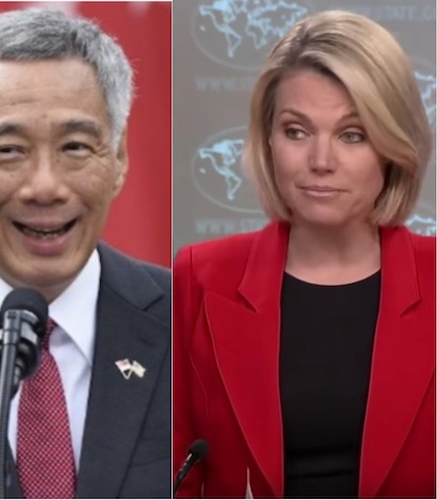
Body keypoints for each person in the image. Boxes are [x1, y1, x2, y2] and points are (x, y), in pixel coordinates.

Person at [0, 8, 170, 499]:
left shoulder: (197, 326)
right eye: (8, 150)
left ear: (118, 159)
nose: (45, 187)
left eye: (74, 146)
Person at [173, 10, 434, 498]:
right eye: (296, 131)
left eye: (351, 135)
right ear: (269, 141)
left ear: (394, 148)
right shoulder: (200, 276)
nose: (320, 161)